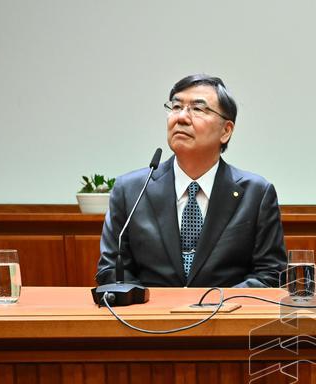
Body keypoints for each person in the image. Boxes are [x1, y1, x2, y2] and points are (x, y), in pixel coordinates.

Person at [96, 74, 286, 288]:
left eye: (197, 109)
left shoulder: (256, 194)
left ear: (226, 131)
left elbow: (271, 274)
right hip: (148, 319)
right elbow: (112, 270)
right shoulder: (130, 190)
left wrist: (212, 305)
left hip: (226, 316)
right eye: (176, 107)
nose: (182, 117)